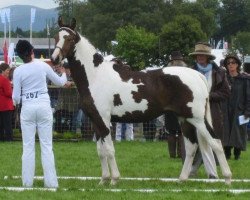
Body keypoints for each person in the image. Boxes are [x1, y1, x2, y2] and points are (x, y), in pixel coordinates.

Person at [12, 40, 68, 188]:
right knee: (46, 146)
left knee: (28, 146)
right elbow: (60, 82)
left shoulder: (17, 71)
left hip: (28, 108)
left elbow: (16, 97)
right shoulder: (43, 66)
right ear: (32, 52)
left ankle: (27, 183)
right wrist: (63, 74)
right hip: (43, 107)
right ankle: (51, 183)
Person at [188, 42, 230, 178]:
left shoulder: (219, 72)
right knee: (193, 141)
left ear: (208, 57)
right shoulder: (190, 72)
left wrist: (207, 96)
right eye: (198, 55)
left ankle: (209, 172)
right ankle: (194, 170)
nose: (200, 57)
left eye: (203, 55)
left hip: (213, 111)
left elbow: (225, 93)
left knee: (208, 140)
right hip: (193, 111)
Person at [222, 54, 250, 160]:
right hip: (225, 109)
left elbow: (248, 96)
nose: (230, 65)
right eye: (228, 63)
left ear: (237, 64)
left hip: (240, 110)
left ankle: (237, 154)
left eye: (233, 62)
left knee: (238, 131)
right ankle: (227, 153)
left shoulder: (244, 79)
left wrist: (248, 111)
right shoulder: (223, 79)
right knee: (226, 130)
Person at [165, 51, 186, 161]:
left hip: (169, 104)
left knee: (171, 131)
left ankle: (173, 154)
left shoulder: (166, 73)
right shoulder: (187, 72)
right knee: (181, 131)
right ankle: (180, 153)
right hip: (181, 104)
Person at [0, 63, 14, 141]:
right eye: (7, 70)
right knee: (7, 124)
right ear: (2, 71)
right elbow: (9, 93)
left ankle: (1, 138)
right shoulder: (5, 80)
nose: (8, 72)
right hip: (6, 105)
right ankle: (9, 139)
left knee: (1, 124)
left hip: (1, 105)